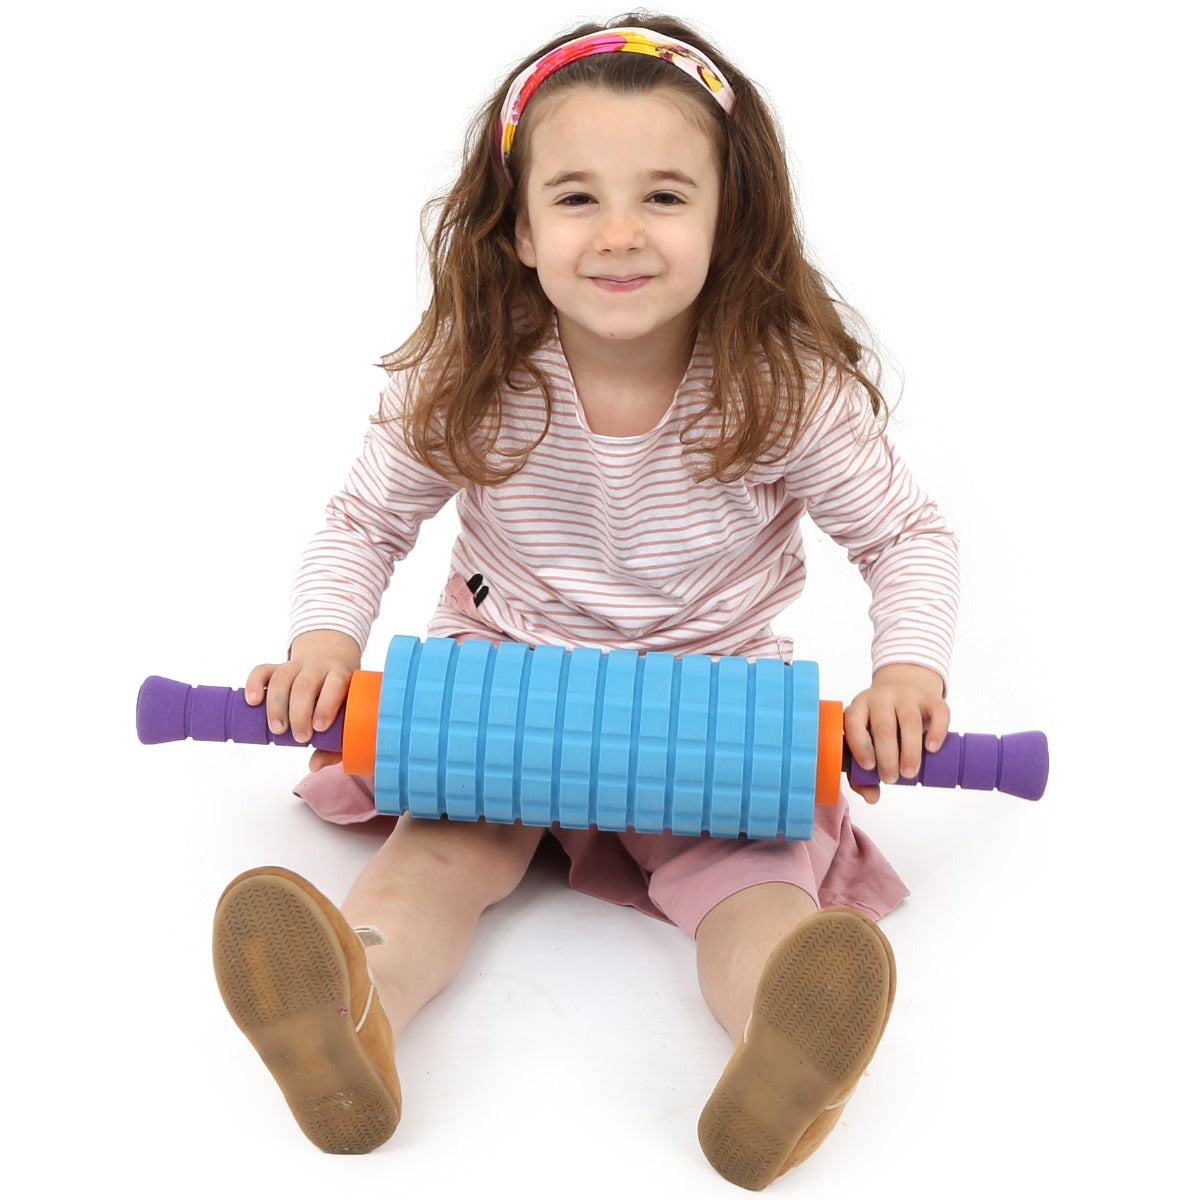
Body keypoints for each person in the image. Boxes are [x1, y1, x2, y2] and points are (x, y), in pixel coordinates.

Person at [211, 14, 960, 1190]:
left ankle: (785, 1033)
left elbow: (904, 534)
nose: (620, 234)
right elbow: (365, 520)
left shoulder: (783, 387)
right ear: (518, 228)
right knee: (432, 867)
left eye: (664, 197)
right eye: (575, 199)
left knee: (751, 889)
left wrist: (909, 671)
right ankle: (354, 1001)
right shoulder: (471, 371)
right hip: (501, 697)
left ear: (729, 218)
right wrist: (321, 641)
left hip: (704, 718)